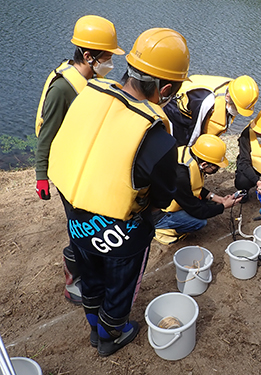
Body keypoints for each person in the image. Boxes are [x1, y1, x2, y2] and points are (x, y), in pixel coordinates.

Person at [47, 27, 190, 356]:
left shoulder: (89, 94)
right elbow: (162, 197)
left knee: (91, 279)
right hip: (123, 231)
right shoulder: (157, 136)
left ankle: (95, 331)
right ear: (166, 88)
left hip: (77, 219)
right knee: (121, 285)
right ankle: (113, 333)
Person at [34, 15, 125, 305]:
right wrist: (41, 175)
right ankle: (74, 283)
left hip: (83, 166)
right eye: (107, 57)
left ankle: (83, 270)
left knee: (87, 225)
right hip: (66, 170)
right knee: (79, 226)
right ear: (88, 56)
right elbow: (46, 135)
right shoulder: (63, 88)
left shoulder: (90, 80)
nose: (110, 62)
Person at [154, 134, 241, 244]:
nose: (217, 170)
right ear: (204, 164)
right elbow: (198, 211)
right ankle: (160, 229)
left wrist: (219, 199)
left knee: (208, 205)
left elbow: (193, 185)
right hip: (157, 214)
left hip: (177, 197)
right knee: (199, 222)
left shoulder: (190, 156)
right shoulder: (180, 176)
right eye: (216, 167)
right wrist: (224, 206)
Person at [163, 74, 259, 146]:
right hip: (177, 111)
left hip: (197, 107)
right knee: (178, 146)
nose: (237, 112)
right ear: (228, 97)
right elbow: (195, 131)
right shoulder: (207, 101)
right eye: (236, 108)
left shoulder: (237, 90)